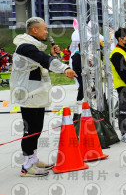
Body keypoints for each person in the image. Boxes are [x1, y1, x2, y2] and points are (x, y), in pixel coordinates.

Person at [10, 17, 77, 177]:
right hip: (28, 95)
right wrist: (65, 68)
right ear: (34, 30)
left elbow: (39, 61)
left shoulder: (31, 46)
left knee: (36, 129)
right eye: (44, 29)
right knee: (30, 130)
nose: (47, 32)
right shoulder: (26, 46)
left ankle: (33, 160)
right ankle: (27, 166)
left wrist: (51, 54)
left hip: (34, 94)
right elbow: (44, 60)